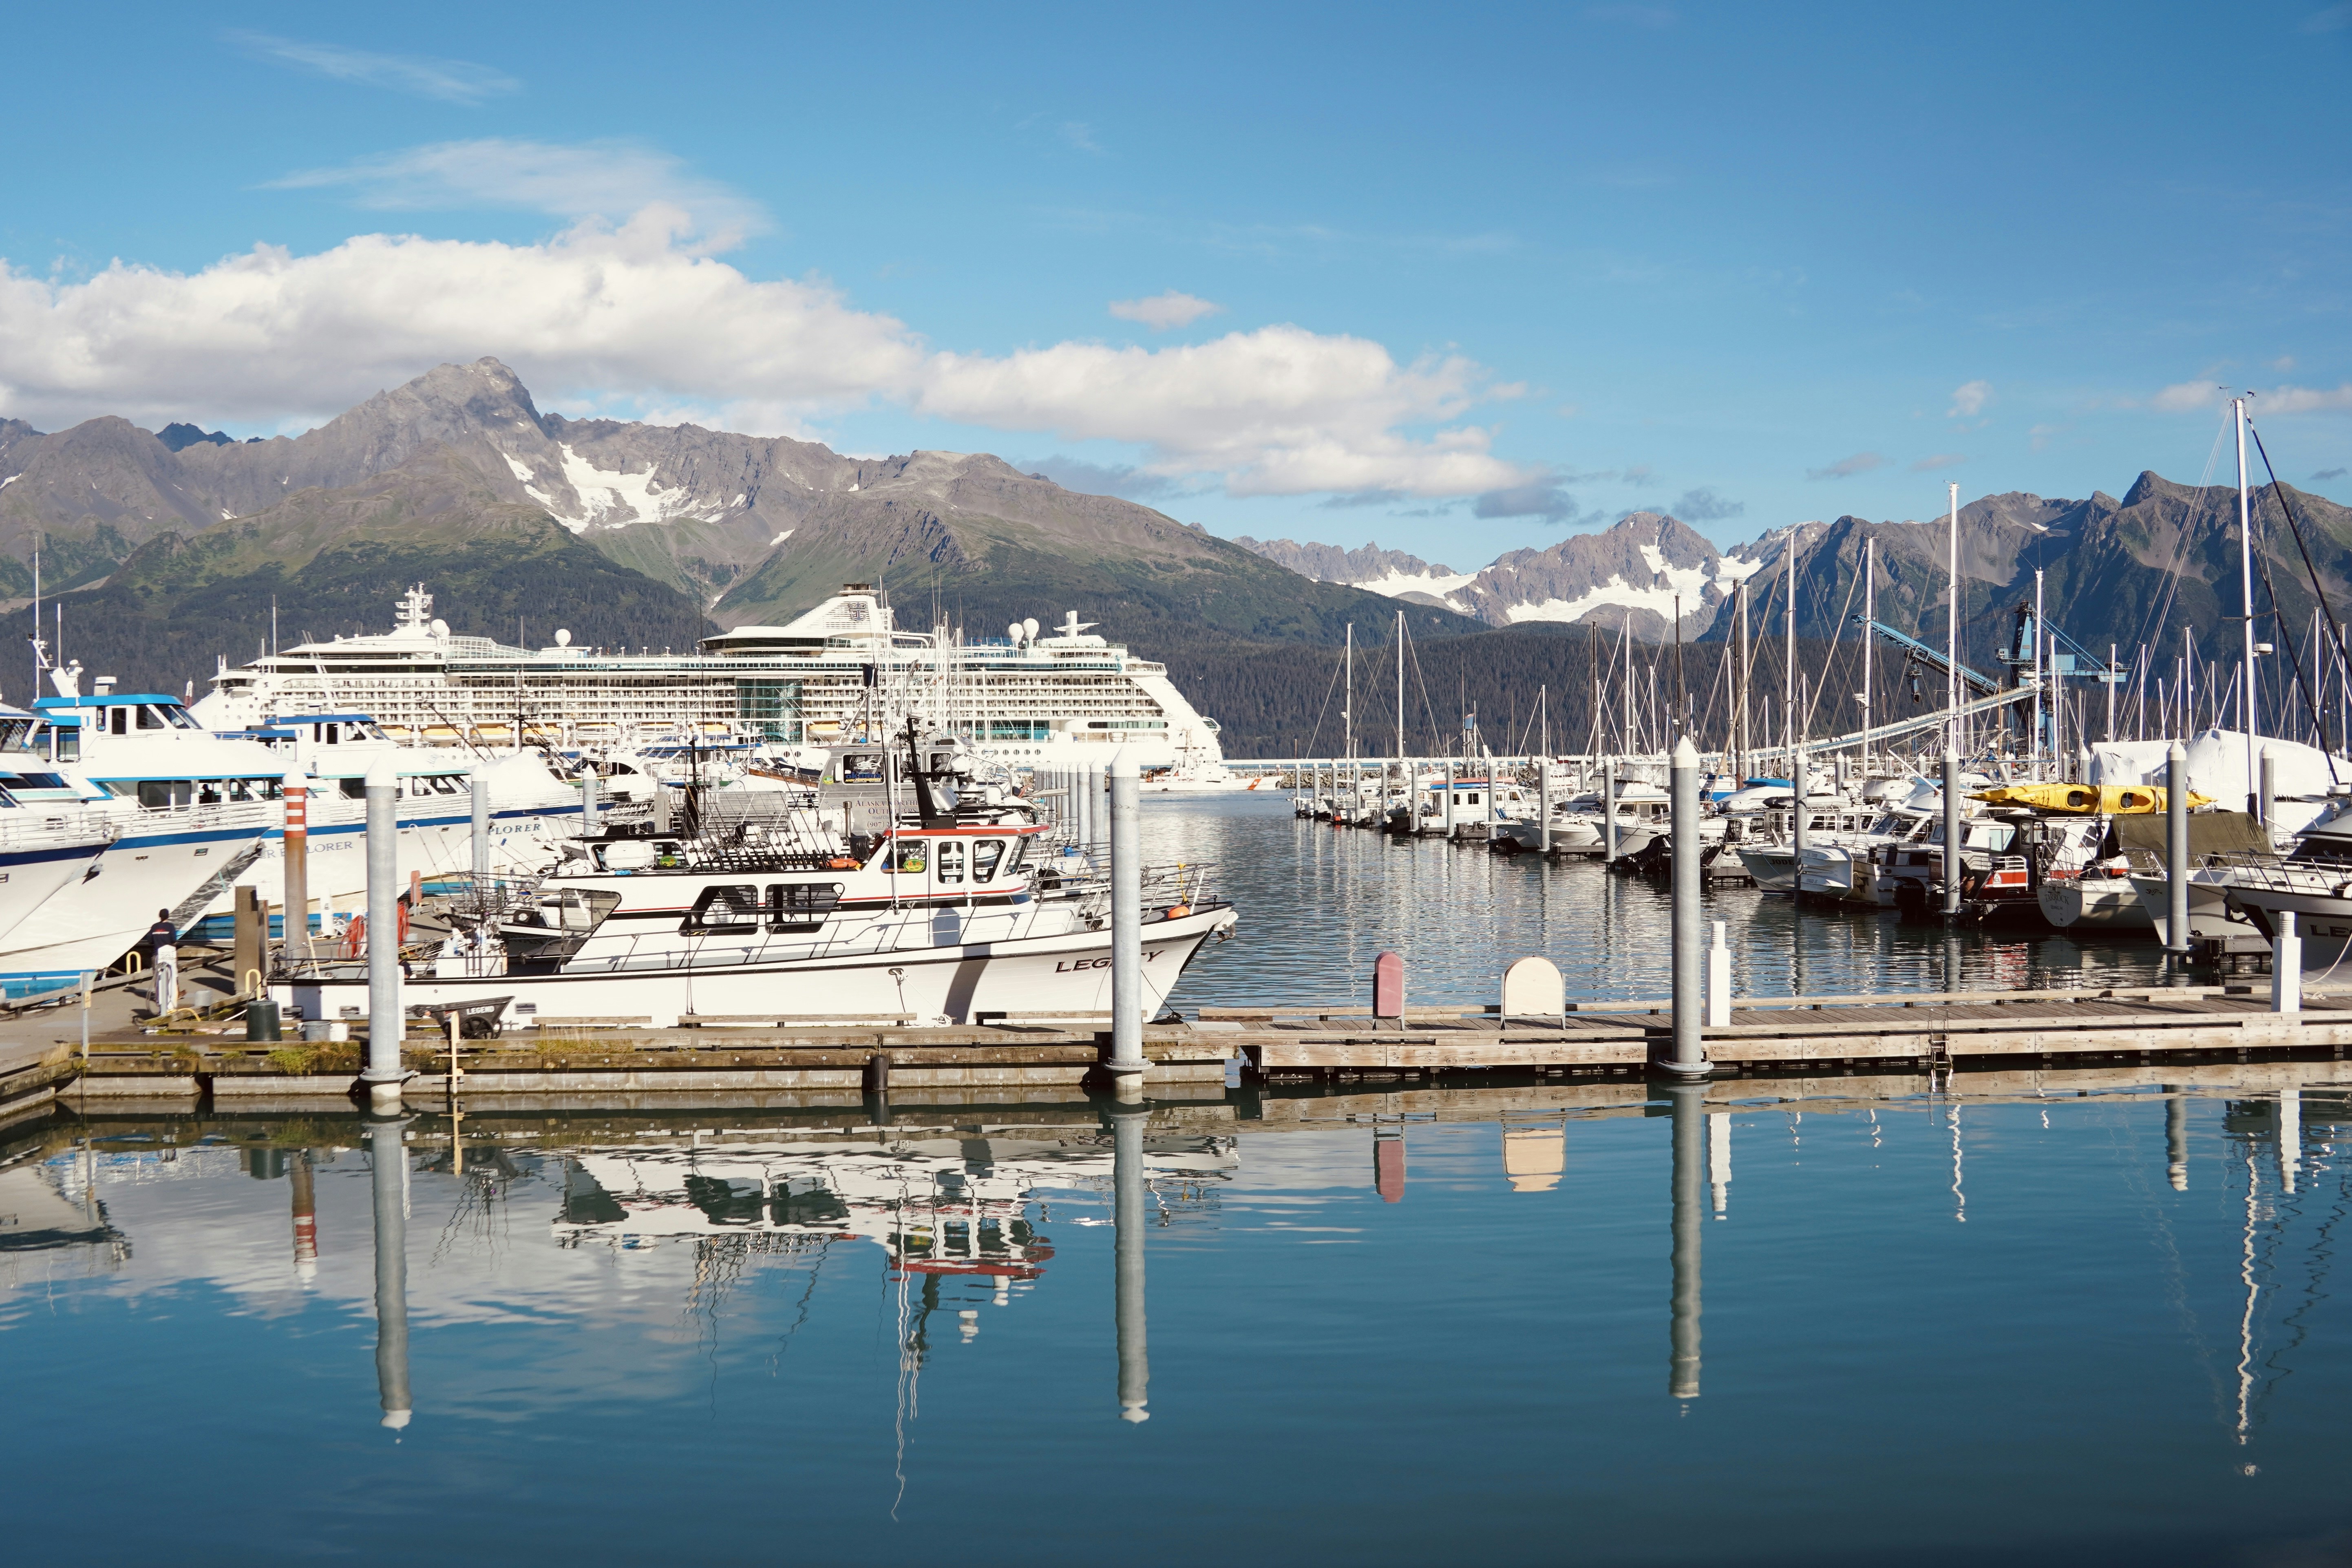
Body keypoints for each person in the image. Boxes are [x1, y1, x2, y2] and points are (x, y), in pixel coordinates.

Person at [144, 908, 179, 1014]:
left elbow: (149, 941)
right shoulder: (171, 927)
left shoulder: (154, 927)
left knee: (158, 981)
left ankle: (161, 1004)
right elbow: (174, 940)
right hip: (170, 956)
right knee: (172, 979)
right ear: (168, 916)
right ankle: (171, 1005)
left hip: (157, 956)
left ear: (160, 916)